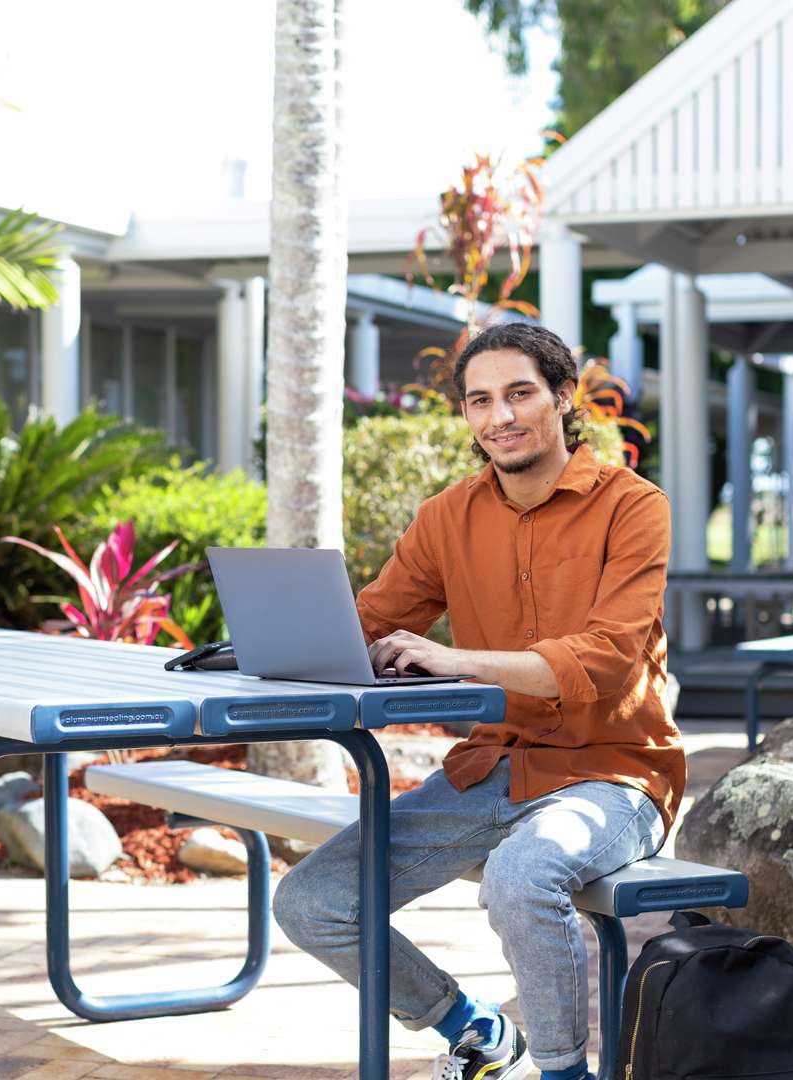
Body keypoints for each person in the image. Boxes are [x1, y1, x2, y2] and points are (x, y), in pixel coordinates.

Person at [272, 321, 685, 1080]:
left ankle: (564, 1073)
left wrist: (452, 660)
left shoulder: (634, 506)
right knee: (312, 901)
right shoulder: (446, 517)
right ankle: (480, 1035)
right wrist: (266, 647)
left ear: (564, 398)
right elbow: (367, 620)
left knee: (521, 877)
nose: (501, 417)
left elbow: (607, 655)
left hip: (615, 773)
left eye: (520, 393)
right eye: (480, 400)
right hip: (493, 768)